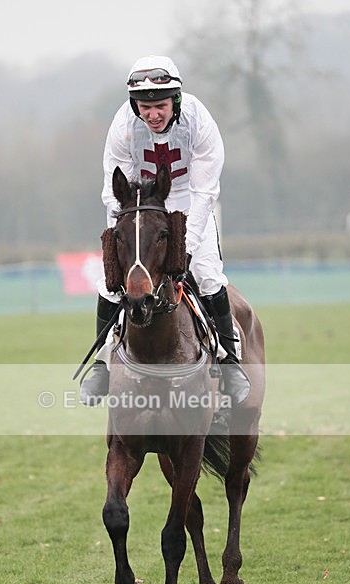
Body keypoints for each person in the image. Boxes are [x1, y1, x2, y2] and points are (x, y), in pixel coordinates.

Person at [80, 55, 250, 407]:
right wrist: (118, 238)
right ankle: (100, 364)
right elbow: (115, 188)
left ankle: (229, 360)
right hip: (141, 204)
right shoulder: (123, 124)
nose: (153, 114)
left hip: (190, 201)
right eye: (145, 107)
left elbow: (205, 193)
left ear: (175, 101)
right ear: (134, 105)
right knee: (112, 280)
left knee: (205, 273)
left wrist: (185, 246)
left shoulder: (198, 120)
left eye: (159, 106)